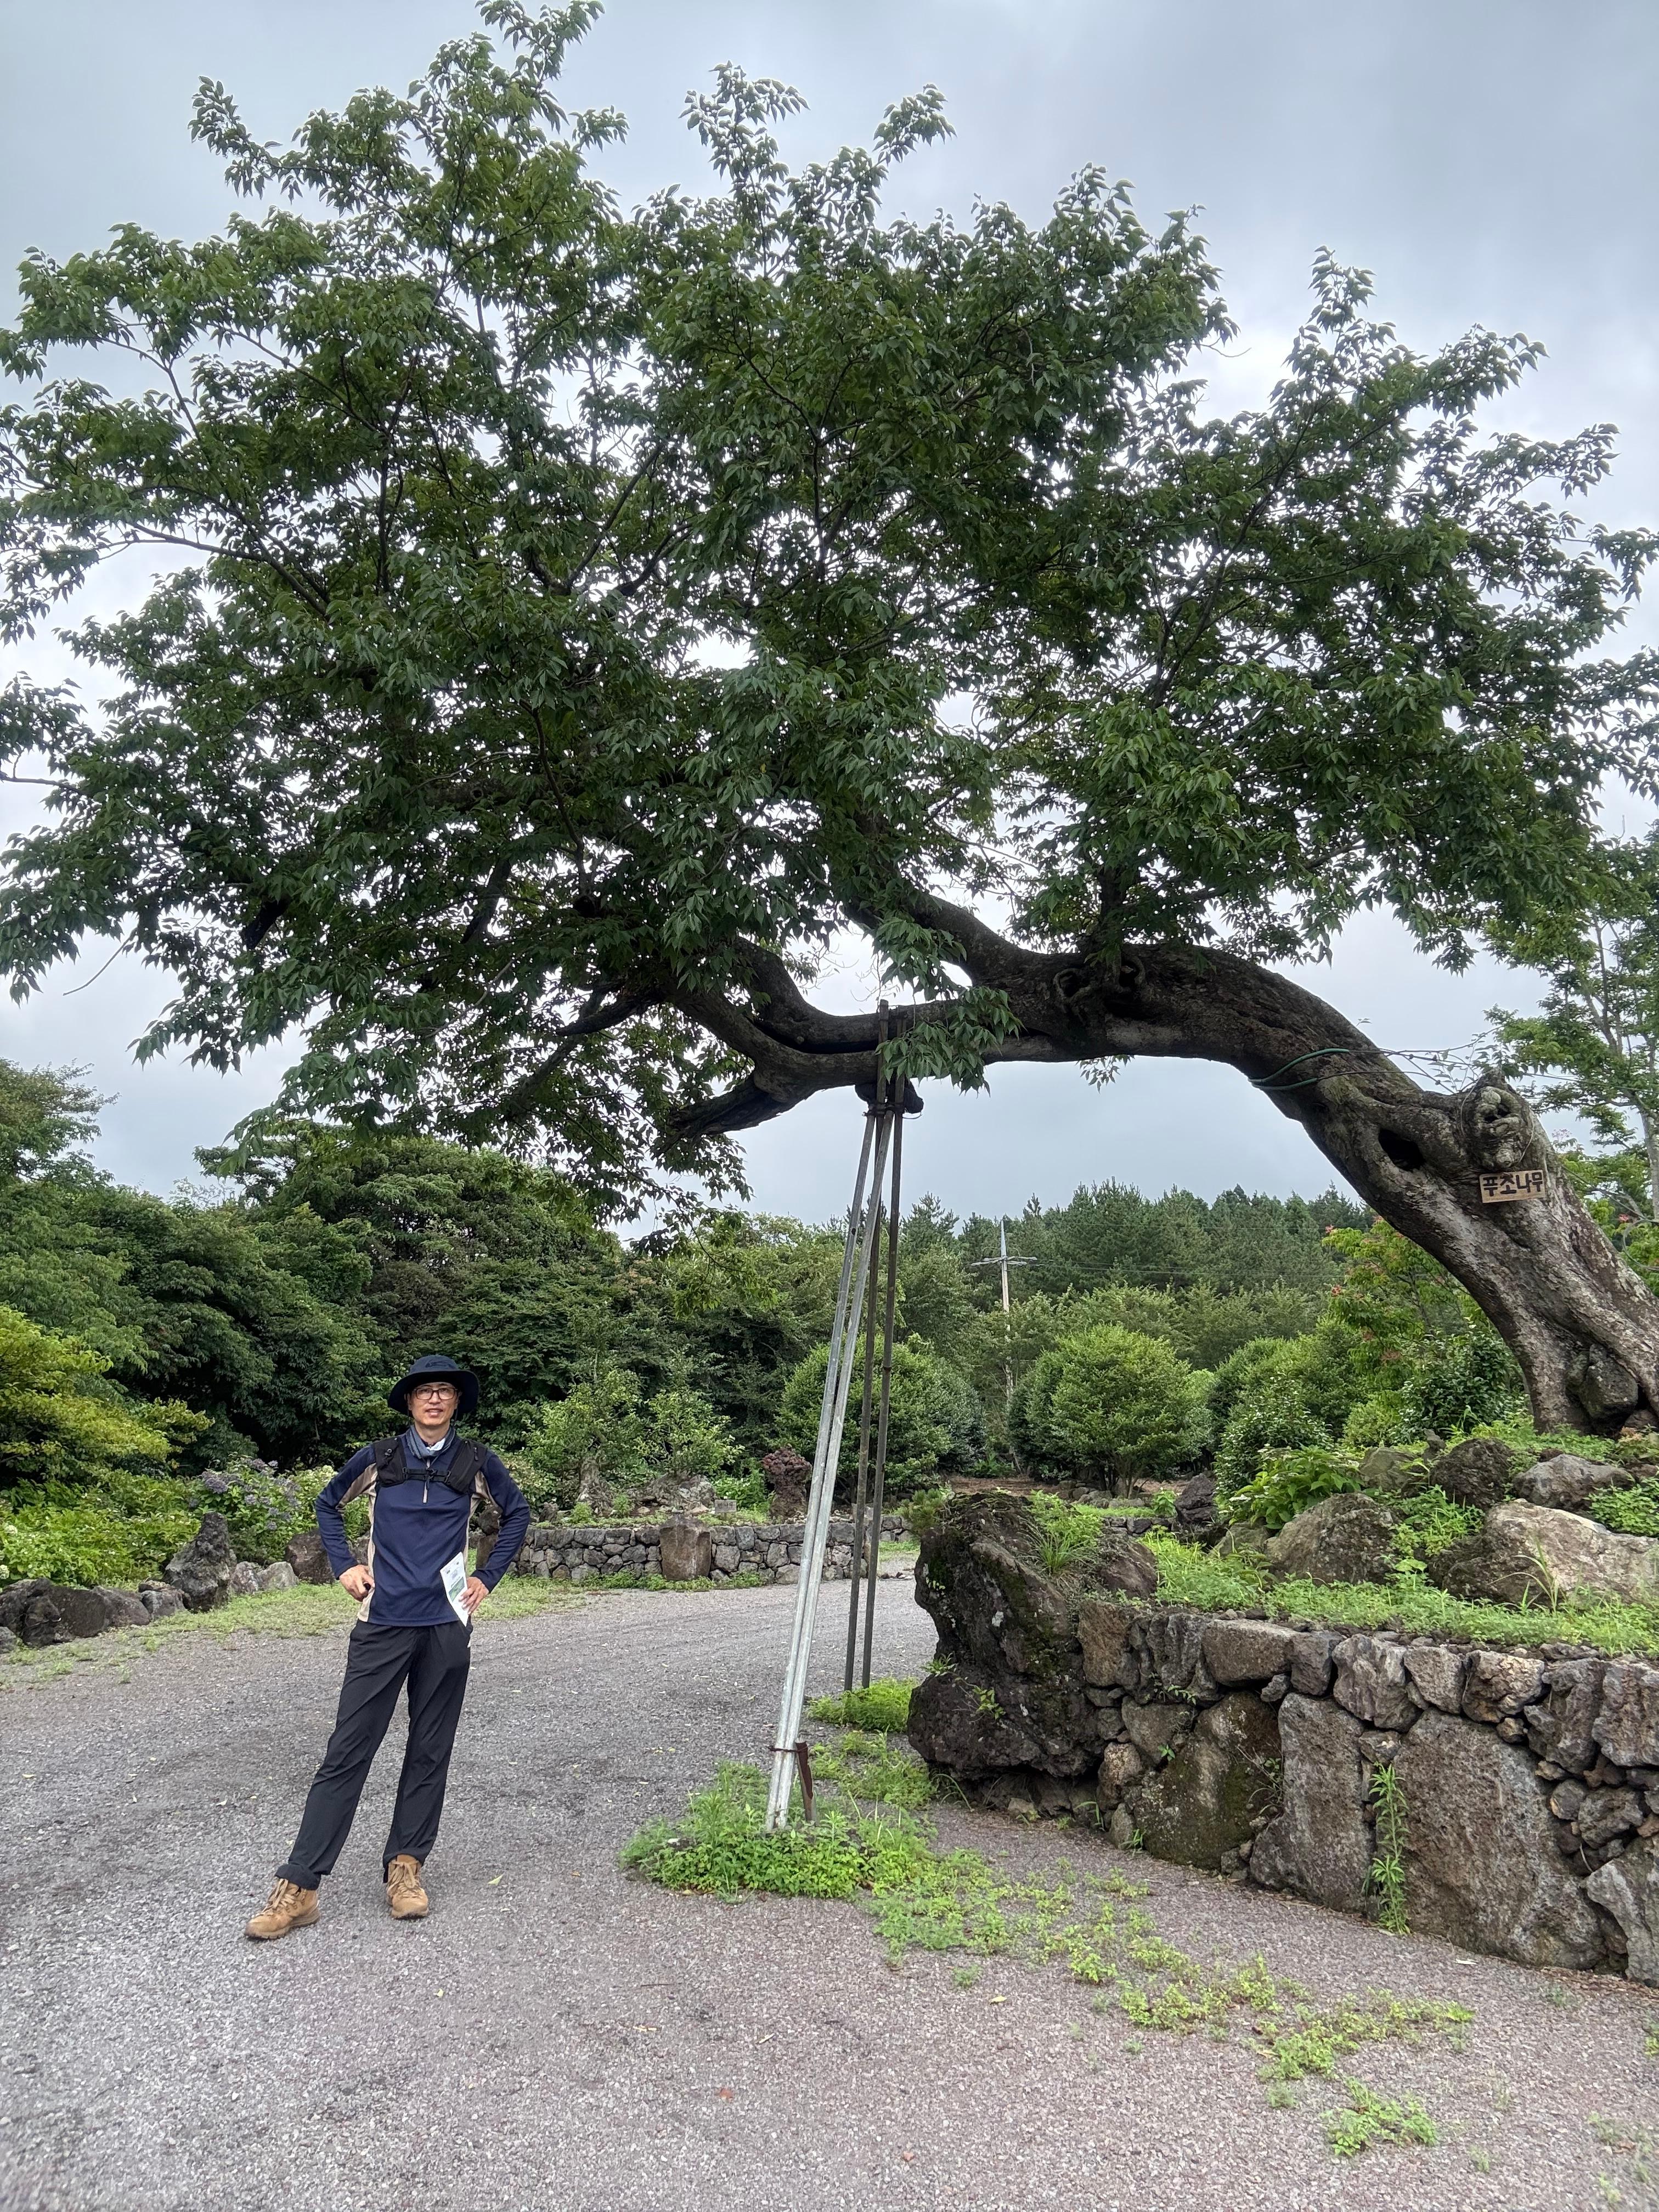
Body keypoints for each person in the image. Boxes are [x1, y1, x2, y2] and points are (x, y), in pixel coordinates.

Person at [245, 1354, 529, 1939]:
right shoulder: (379, 1458)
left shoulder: (476, 1462)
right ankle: (300, 1886)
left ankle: (406, 1868)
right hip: (383, 1623)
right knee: (347, 1751)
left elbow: (518, 1514)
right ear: (409, 1402)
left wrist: (487, 1577)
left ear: (456, 1402)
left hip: (446, 1625)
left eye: (444, 1391)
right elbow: (328, 1504)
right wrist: (344, 1565)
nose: (434, 1399)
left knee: (430, 1749)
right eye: (424, 1391)